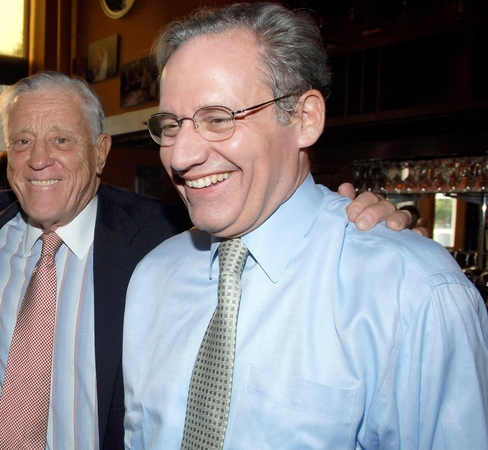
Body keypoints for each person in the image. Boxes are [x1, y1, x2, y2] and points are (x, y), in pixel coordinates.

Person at [0, 71, 411, 450]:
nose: (38, 160)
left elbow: (268, 230)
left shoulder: (167, 239)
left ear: (100, 152)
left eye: (62, 140)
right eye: (22, 141)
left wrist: (352, 222)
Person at [123, 4, 488, 449]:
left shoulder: (410, 293)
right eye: (170, 126)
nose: (180, 157)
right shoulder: (153, 277)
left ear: (304, 118)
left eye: (217, 119)